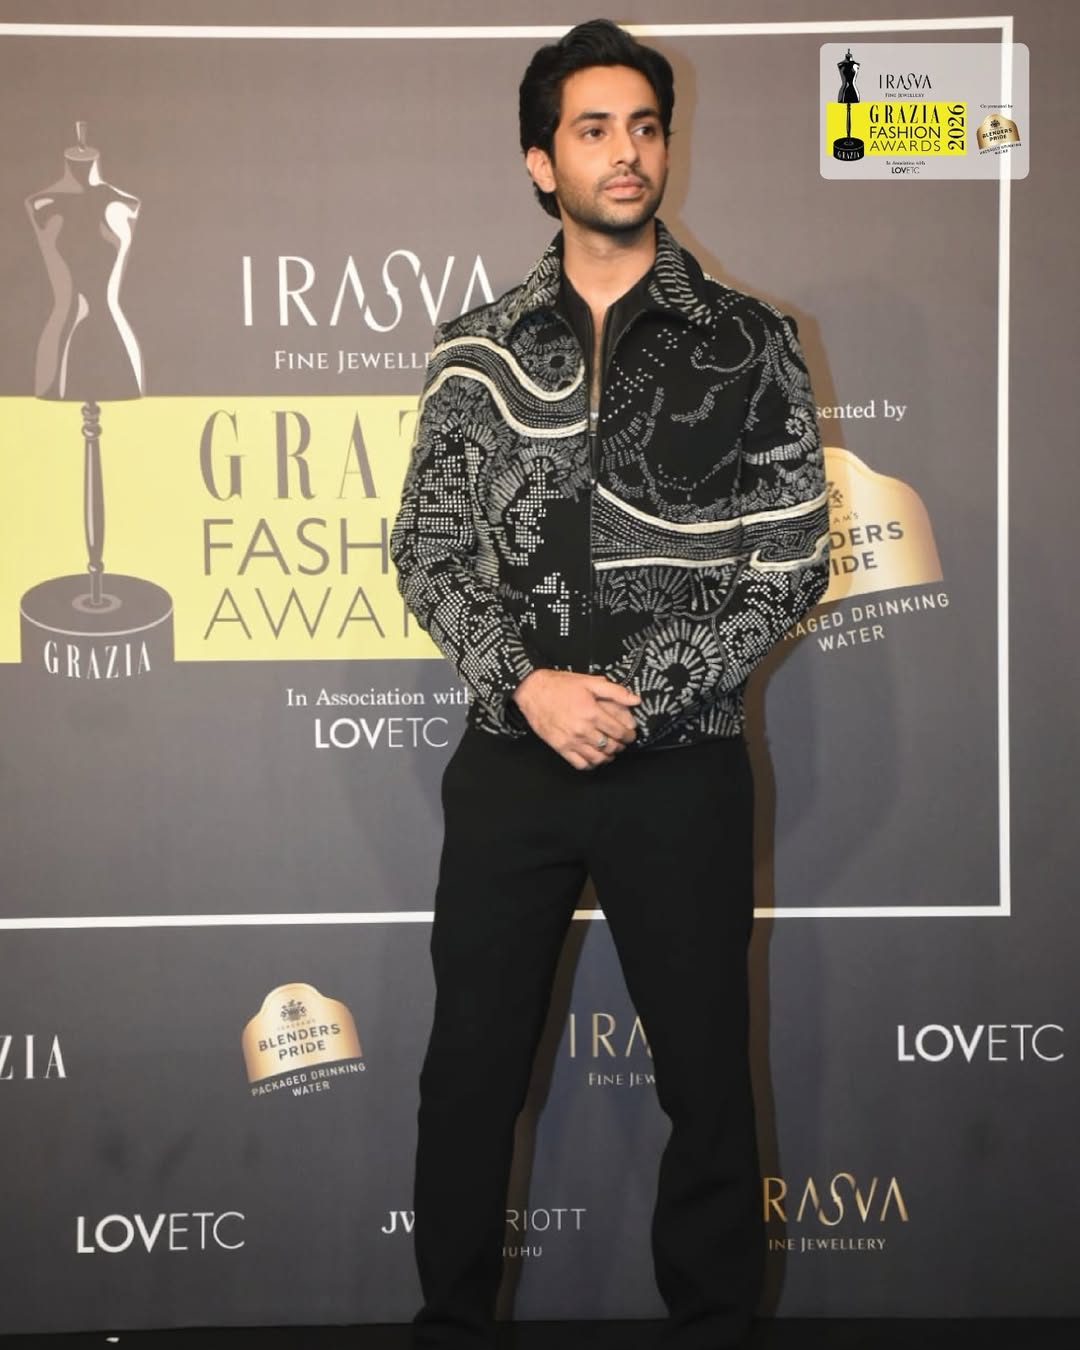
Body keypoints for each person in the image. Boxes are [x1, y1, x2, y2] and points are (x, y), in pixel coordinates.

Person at [391, 19, 829, 1350]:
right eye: (593, 128)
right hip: (512, 759)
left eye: (644, 125)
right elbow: (426, 546)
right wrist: (530, 684)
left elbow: (791, 556)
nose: (625, 150)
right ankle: (450, 1324)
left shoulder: (750, 338)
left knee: (706, 1080)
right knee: (470, 1076)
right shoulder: (474, 349)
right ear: (542, 162)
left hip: (678, 763)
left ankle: (714, 1325)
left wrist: (637, 693)